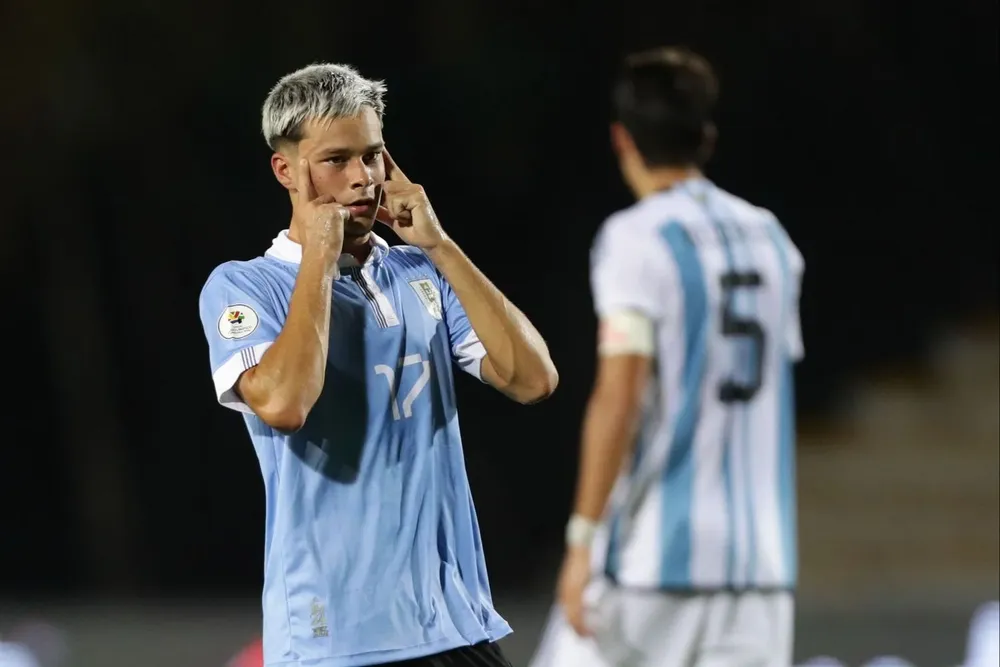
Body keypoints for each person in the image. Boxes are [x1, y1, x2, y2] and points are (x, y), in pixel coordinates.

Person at [198, 63, 558, 667]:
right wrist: (319, 257)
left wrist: (439, 245)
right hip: (338, 638)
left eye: (373, 156)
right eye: (336, 159)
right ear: (286, 171)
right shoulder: (244, 287)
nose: (362, 178)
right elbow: (285, 404)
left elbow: (534, 378)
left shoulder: (420, 273)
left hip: (457, 623)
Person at [529, 47, 805, 667]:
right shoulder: (773, 240)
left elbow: (619, 397)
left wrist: (581, 541)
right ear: (706, 136)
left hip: (653, 558)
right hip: (759, 570)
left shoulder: (637, 237)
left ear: (621, 138)